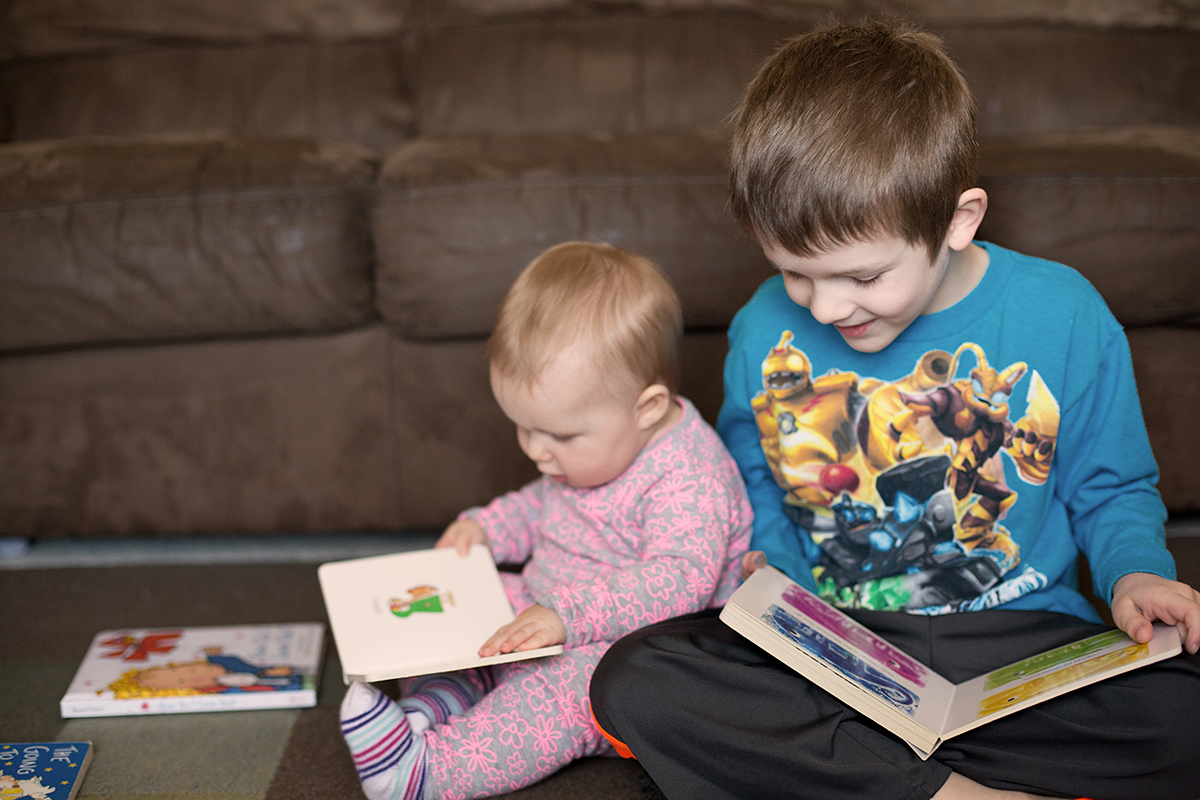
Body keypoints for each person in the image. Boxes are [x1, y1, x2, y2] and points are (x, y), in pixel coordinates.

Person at [589, 20, 1200, 800]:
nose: (827, 304)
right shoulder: (760, 333)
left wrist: (1136, 575)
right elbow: (756, 482)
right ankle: (948, 792)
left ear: (957, 219)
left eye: (863, 276)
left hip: (1023, 647)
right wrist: (766, 567)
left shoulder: (1065, 313)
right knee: (636, 677)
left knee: (1185, 713)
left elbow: (1112, 489)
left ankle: (862, 776)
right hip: (840, 649)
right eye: (795, 274)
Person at [339, 241, 754, 800]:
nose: (537, 451)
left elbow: (680, 581)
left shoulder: (690, 475)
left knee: (559, 693)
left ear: (648, 408)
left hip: (636, 654)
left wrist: (568, 616)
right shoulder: (590, 451)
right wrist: (484, 528)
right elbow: (541, 503)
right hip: (550, 608)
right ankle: (427, 712)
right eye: (524, 428)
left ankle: (427, 772)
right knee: (473, 610)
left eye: (559, 436)